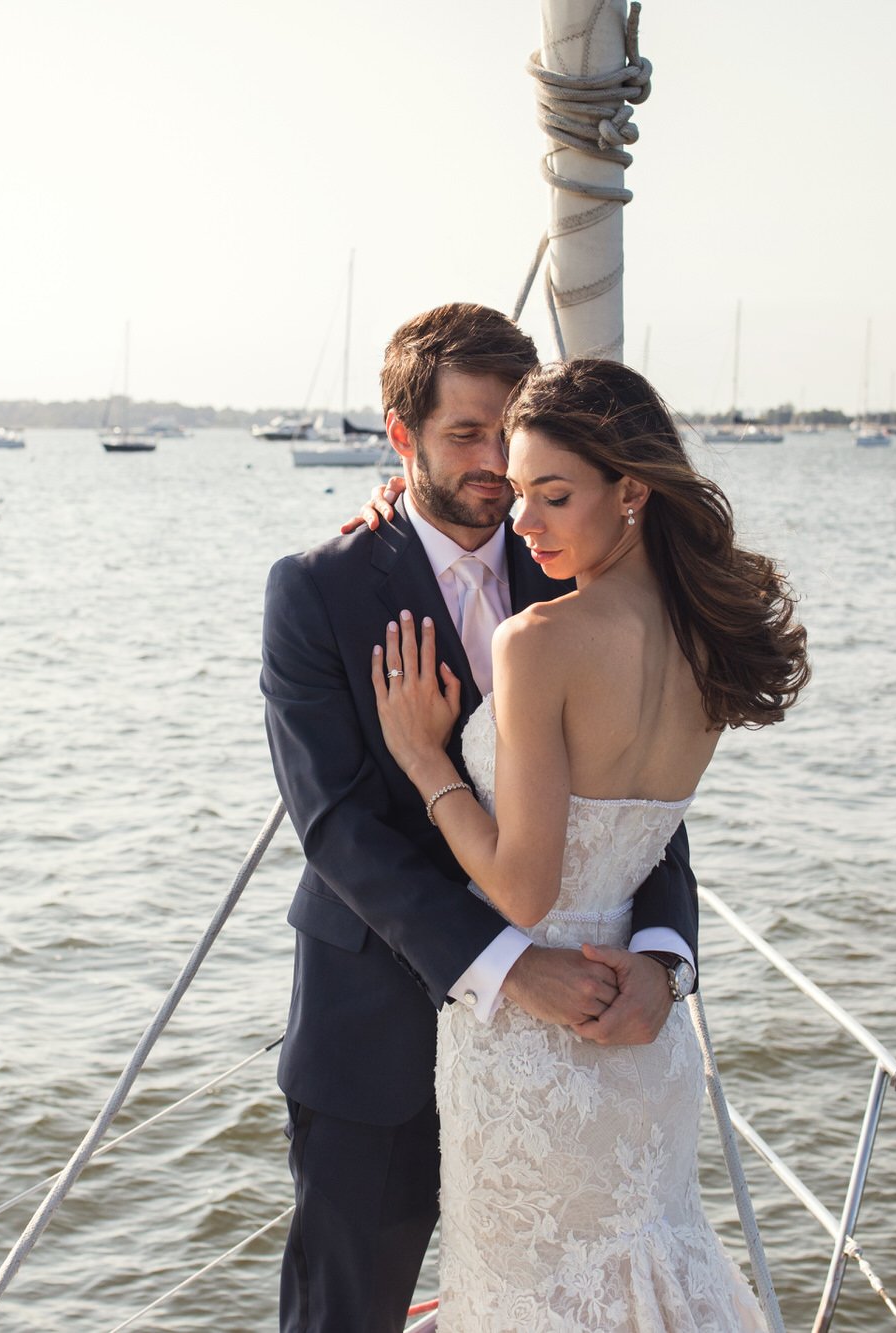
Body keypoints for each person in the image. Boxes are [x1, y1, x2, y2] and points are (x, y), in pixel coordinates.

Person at [260, 305, 700, 1333]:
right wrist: (507, 965)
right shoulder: (315, 591)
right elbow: (335, 829)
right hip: (376, 1036)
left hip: (573, 1065)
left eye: (510, 431)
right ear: (399, 434)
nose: (497, 465)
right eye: (465, 433)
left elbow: (642, 805)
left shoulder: (570, 559)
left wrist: (662, 952)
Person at [370, 358, 808, 1329]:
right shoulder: (708, 637)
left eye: (552, 496)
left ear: (632, 489)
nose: (523, 522)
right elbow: (645, 844)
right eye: (519, 493)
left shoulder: (538, 642)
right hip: (640, 1034)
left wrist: (423, 759)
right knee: (645, 1265)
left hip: (530, 1049)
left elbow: (522, 890)